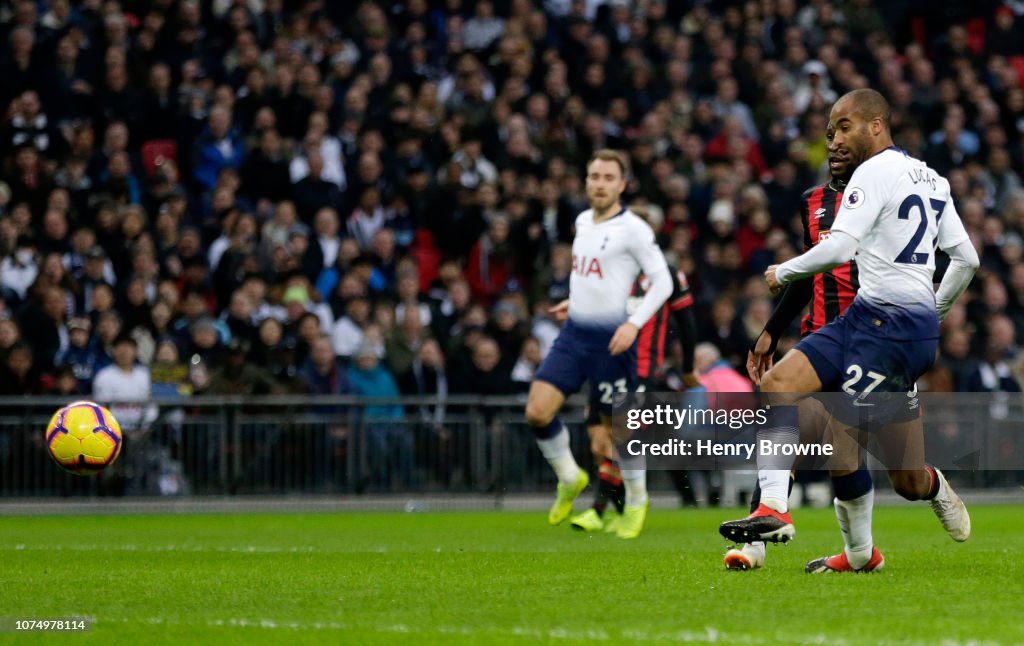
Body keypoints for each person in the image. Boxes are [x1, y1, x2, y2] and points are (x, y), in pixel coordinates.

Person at [719, 89, 979, 572]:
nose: (835, 139)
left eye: (844, 127)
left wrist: (783, 270)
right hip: (863, 319)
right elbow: (967, 259)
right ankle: (776, 510)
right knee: (778, 385)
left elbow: (838, 249)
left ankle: (929, 489)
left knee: (898, 474)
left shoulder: (875, 173)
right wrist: (935, 310)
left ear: (876, 125)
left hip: (894, 333)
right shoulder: (933, 179)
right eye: (831, 131)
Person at [524, 149, 672, 539]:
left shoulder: (634, 229)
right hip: (574, 336)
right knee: (538, 411)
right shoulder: (582, 222)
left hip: (613, 342)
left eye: (609, 177)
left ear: (622, 185)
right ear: (586, 181)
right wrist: (578, 300)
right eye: (594, 176)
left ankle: (637, 500)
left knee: (617, 432)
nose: (600, 184)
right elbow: (598, 275)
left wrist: (635, 324)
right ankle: (570, 477)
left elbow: (664, 283)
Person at [570, 209, 700, 534]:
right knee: (599, 443)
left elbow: (687, 325)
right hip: (603, 367)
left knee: (622, 436)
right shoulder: (608, 274)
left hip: (639, 370)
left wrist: (687, 369)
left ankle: (603, 510)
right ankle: (618, 507)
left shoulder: (667, 275)